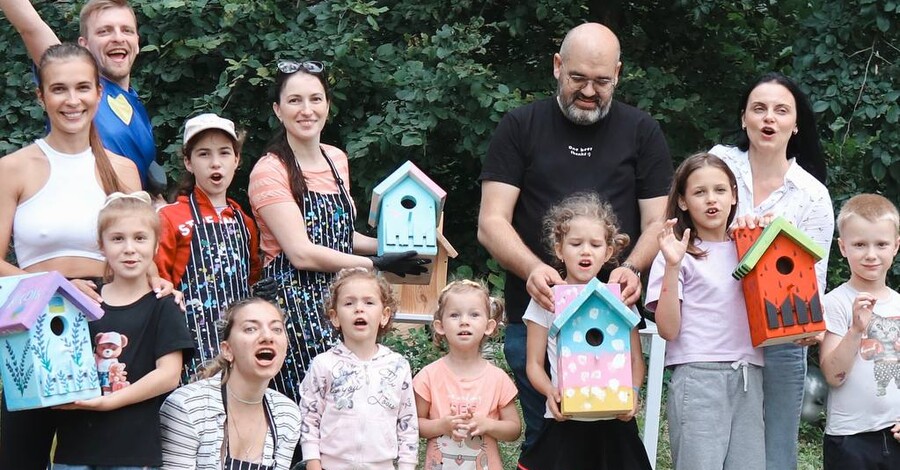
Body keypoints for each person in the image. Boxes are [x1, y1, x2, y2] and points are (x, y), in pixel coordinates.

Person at [477, 22, 673, 450]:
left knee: (611, 447)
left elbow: (659, 221)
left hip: (612, 324)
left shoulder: (641, 131)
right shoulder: (520, 126)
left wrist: (633, 268)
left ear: (617, 74)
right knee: (548, 443)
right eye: (578, 78)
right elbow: (491, 221)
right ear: (557, 66)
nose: (588, 91)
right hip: (538, 316)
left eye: (601, 81)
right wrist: (533, 269)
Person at [0, 42, 153, 470]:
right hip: (37, 325)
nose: (72, 100)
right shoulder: (13, 168)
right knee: (21, 455)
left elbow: (141, 251)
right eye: (59, 89)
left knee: (106, 457)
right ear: (41, 96)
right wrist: (55, 288)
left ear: (99, 93)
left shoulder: (123, 169)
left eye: (83, 87)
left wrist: (158, 281)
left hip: (111, 325)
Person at [248, 60, 426, 404]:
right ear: (278, 110)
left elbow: (341, 236)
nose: (306, 110)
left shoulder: (336, 159)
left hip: (343, 301)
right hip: (295, 307)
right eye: (295, 100)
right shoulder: (269, 170)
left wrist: (394, 246)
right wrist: (374, 264)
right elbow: (301, 252)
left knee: (351, 401)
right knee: (308, 405)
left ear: (328, 105)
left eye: (315, 99)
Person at [709, 72, 834, 470]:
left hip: (782, 339)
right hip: (717, 328)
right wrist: (733, 232)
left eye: (781, 111)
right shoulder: (719, 164)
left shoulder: (812, 194)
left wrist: (811, 328)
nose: (769, 118)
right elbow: (691, 230)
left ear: (795, 125)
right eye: (759, 108)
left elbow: (813, 282)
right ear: (743, 117)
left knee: (776, 451)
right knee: (714, 445)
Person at [51, 191, 195, 468]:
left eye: (140, 238)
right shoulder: (83, 299)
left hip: (133, 453)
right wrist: (62, 290)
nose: (129, 248)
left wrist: (108, 402)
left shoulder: (163, 305)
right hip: (74, 450)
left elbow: (168, 375)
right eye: (118, 238)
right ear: (101, 245)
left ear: (156, 245)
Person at [644, 153, 765, 470]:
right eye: (699, 192)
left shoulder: (751, 248)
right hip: (699, 376)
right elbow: (667, 329)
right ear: (682, 202)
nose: (711, 199)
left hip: (749, 376)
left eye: (720, 190)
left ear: (734, 196)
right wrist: (673, 266)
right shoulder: (675, 254)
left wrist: (765, 233)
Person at [518, 192, 650, 470]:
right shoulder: (547, 299)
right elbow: (533, 364)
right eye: (576, 244)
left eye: (595, 244)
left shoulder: (618, 298)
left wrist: (634, 391)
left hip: (614, 421)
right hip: (565, 421)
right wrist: (551, 392)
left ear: (608, 252)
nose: (585, 251)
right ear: (559, 249)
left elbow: (636, 360)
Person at [0, 0, 160, 188]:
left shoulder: (136, 106)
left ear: (137, 42)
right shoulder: (78, 91)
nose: (118, 38)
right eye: (104, 31)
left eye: (127, 30)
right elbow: (30, 26)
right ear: (85, 45)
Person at [156, 112, 263, 381]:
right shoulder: (170, 217)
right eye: (204, 154)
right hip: (189, 347)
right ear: (188, 162)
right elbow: (158, 284)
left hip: (238, 347)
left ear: (236, 160)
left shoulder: (244, 222)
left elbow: (251, 278)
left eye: (224, 153)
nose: (215, 163)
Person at [297, 267, 418, 470]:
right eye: (349, 303)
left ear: (384, 315)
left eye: (369, 302)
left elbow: (408, 422)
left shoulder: (398, 366)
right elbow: (309, 417)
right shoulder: (323, 364)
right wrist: (312, 462)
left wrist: (407, 465)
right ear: (335, 317)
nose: (359, 309)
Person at [160, 297, 302, 469]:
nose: (267, 336)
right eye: (250, 329)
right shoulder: (187, 406)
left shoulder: (287, 414)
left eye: (277, 329)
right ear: (227, 350)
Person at [819, 194, 900, 469]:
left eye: (881, 244)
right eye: (859, 244)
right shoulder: (835, 303)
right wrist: (856, 329)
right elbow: (833, 375)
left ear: (896, 246)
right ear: (843, 247)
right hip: (849, 439)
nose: (871, 254)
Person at [414, 279, 521, 469]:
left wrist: (488, 425)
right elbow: (413, 425)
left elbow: (514, 429)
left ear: (489, 326)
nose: (464, 321)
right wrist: (441, 426)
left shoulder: (498, 379)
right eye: (454, 315)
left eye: (474, 314)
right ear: (440, 326)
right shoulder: (428, 376)